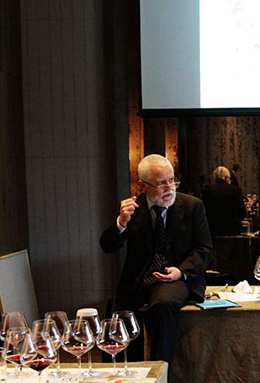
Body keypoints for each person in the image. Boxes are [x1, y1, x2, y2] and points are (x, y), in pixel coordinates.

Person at [100, 154, 213, 363]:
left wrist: (181, 271)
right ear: (143, 185)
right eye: (161, 184)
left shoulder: (192, 206)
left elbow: (205, 249)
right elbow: (108, 246)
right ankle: (125, 374)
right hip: (139, 279)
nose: (169, 188)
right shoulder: (133, 209)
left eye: (172, 180)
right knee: (119, 314)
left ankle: (160, 368)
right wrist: (121, 223)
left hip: (175, 278)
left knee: (164, 303)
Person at [200, 165, 246, 237]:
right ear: (226, 177)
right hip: (233, 230)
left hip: (213, 230)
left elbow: (203, 211)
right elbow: (243, 213)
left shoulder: (207, 190)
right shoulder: (236, 190)